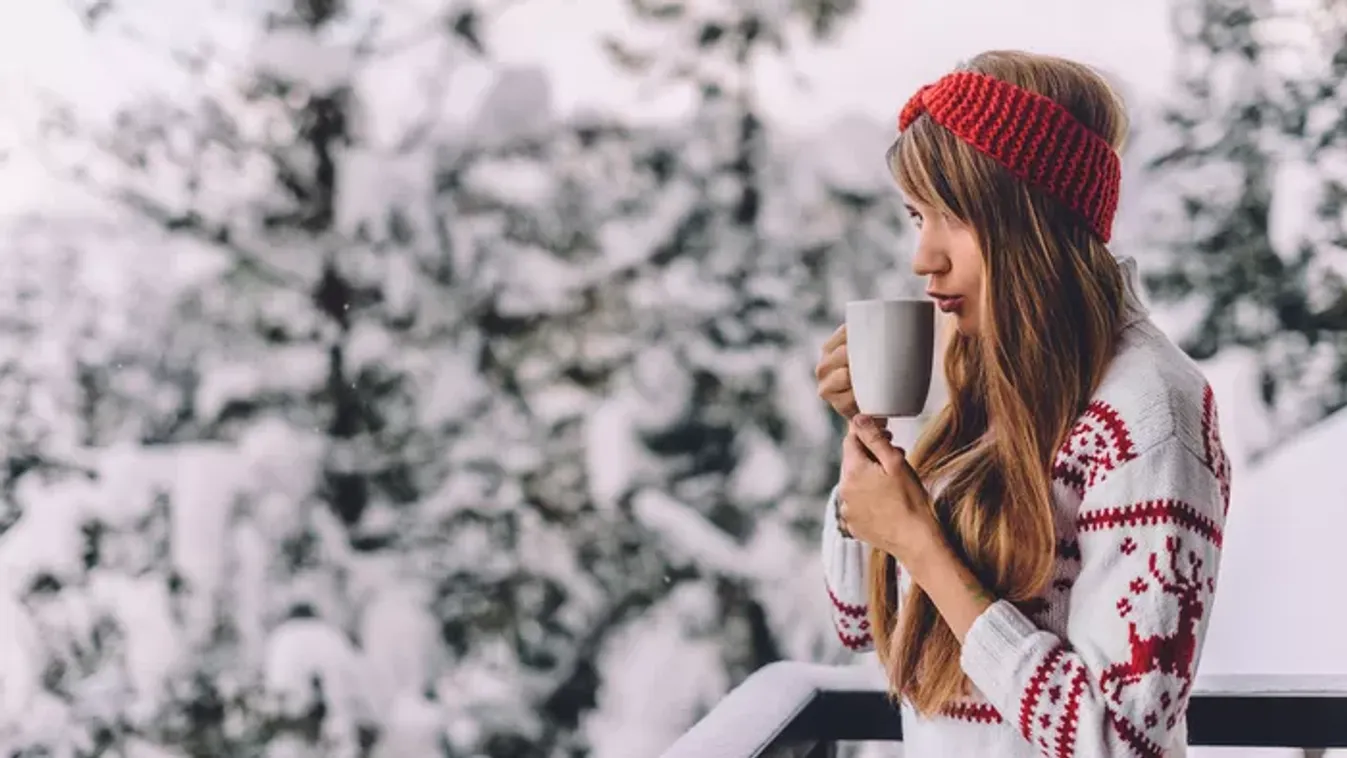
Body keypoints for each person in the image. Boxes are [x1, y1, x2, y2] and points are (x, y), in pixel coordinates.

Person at [814, 50, 1232, 757]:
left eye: (954, 217)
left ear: (1032, 220)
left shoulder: (1149, 418)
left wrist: (925, 545)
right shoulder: (984, 380)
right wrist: (871, 453)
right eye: (917, 216)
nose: (924, 257)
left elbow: (1122, 742)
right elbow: (857, 620)